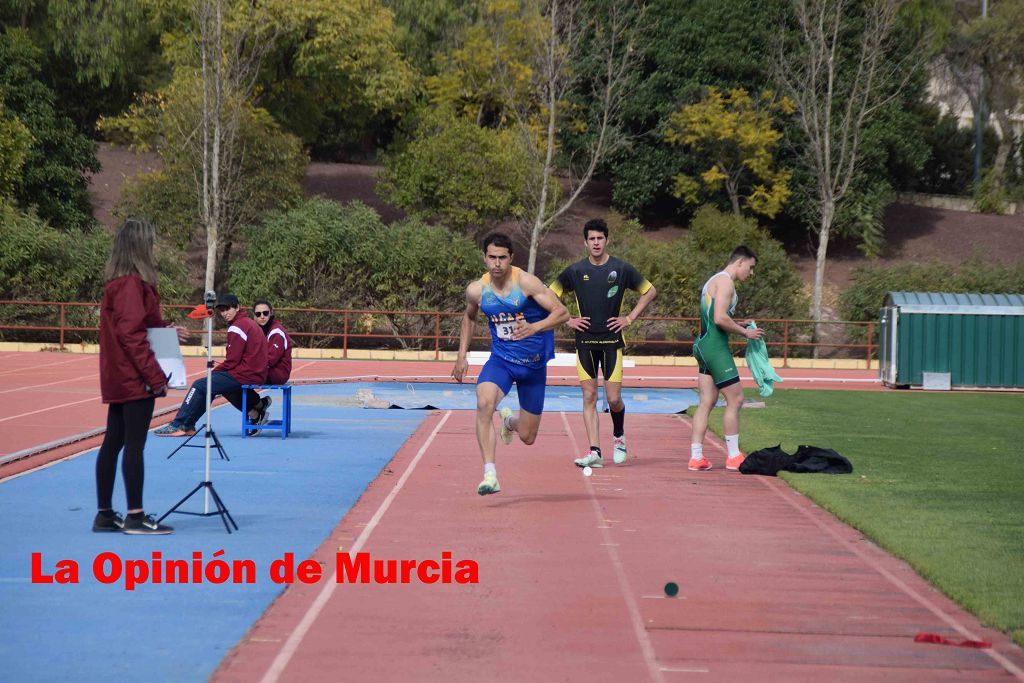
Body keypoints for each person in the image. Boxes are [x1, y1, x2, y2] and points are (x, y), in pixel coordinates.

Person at [451, 232, 569, 495]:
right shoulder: (476, 290)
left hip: (533, 367)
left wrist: (535, 327)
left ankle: (509, 423)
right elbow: (469, 318)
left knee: (527, 436)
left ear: (511, 258)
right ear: (484, 258)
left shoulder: (526, 283)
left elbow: (562, 312)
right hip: (501, 361)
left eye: (502, 258)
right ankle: (490, 474)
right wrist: (462, 356)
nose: (497, 263)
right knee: (483, 403)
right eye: (492, 257)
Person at [95, 218, 190, 535]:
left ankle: (105, 514)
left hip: (119, 374)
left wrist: (167, 331)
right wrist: (156, 376)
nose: (154, 247)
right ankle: (135, 516)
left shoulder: (119, 284)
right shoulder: (133, 285)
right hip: (134, 376)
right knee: (133, 445)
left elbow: (135, 327)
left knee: (114, 442)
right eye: (150, 241)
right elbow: (132, 335)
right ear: (140, 246)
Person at [550, 218, 657, 468]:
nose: (596, 243)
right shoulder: (575, 271)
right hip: (584, 343)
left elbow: (649, 291)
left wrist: (629, 318)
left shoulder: (621, 269)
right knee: (589, 396)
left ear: (606, 240)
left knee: (613, 399)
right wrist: (568, 319)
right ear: (585, 242)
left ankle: (619, 436)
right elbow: (548, 294)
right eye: (592, 239)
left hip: (611, 343)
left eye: (600, 238)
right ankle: (595, 452)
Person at [689, 245, 765, 472]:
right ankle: (733, 456)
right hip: (714, 348)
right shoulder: (726, 282)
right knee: (736, 399)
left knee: (707, 402)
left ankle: (696, 457)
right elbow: (720, 318)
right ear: (740, 262)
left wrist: (739, 323)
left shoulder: (714, 280)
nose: (751, 274)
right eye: (750, 268)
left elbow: (716, 318)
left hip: (703, 344)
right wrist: (746, 333)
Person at [154, 293, 267, 436]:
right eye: (222, 310)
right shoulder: (248, 323)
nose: (225, 313)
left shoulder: (237, 327)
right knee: (215, 385)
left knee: (200, 385)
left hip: (246, 373)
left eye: (228, 309)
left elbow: (232, 361)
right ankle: (256, 407)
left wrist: (213, 373)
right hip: (254, 373)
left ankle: (179, 424)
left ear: (237, 307)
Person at [224, 299, 292, 433]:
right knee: (226, 382)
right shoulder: (256, 331)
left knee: (229, 381)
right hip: (262, 370)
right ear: (254, 316)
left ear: (271, 313)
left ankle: (257, 410)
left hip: (275, 373)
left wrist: (245, 368)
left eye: (265, 313)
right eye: (258, 314)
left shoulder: (276, 332)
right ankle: (258, 408)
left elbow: (270, 360)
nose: (262, 316)